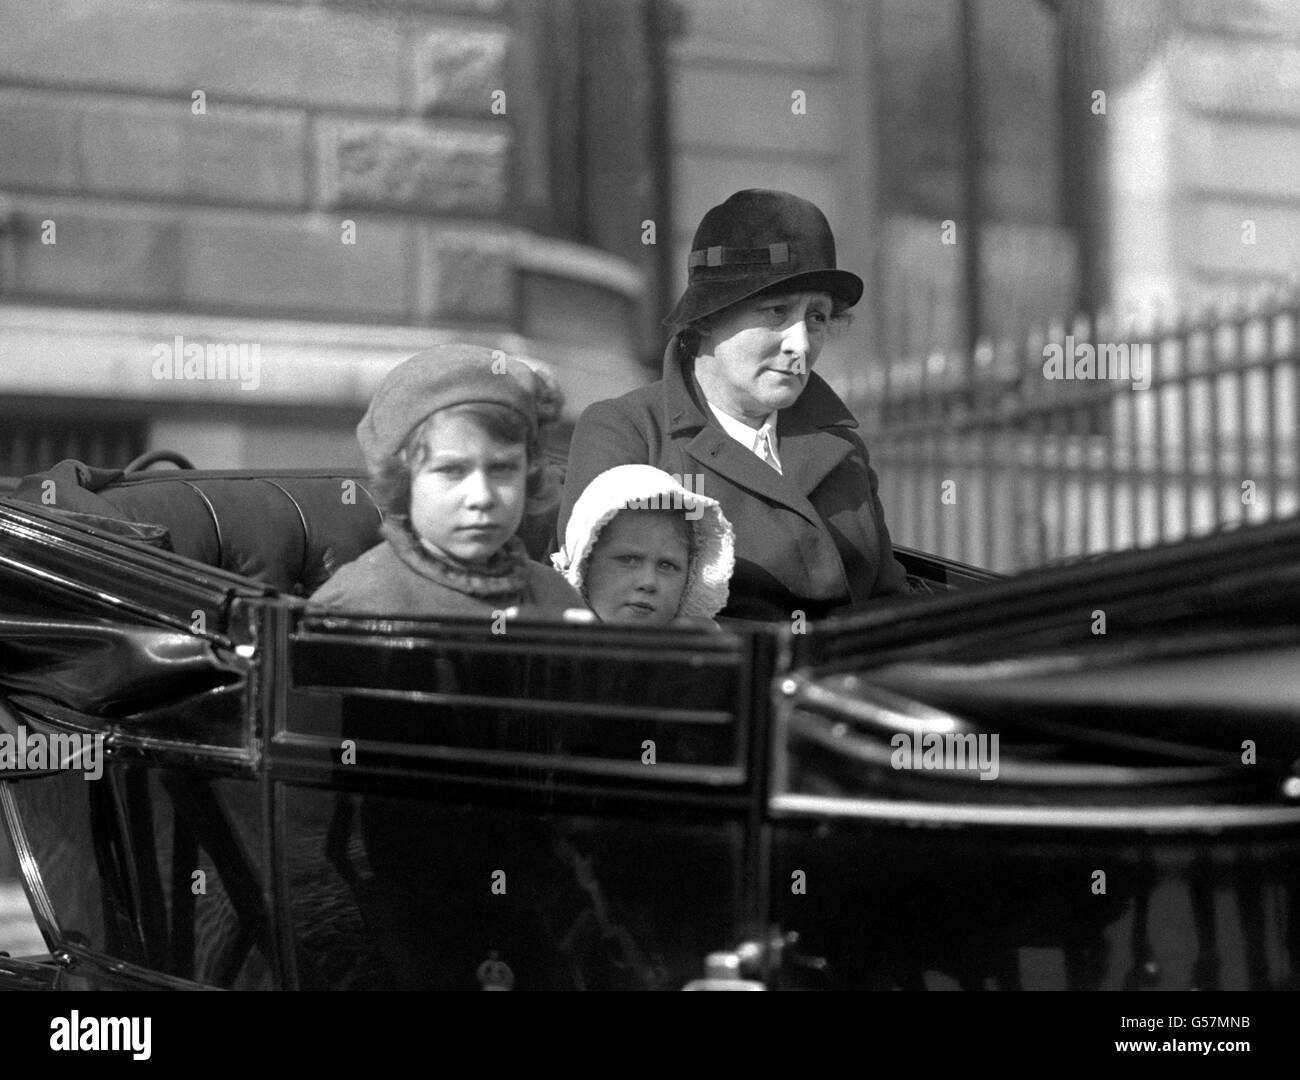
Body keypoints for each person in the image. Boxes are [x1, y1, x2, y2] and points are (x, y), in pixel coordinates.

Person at [559, 189, 909, 622]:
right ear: (707, 317)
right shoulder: (630, 432)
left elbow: (889, 600)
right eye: (776, 312)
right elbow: (601, 605)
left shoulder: (842, 447)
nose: (800, 346)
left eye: (816, 317)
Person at [311, 344, 584, 618]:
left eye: (503, 468)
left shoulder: (556, 598)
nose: (482, 497)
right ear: (404, 479)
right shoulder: (355, 606)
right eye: (451, 470)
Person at [552, 464, 734, 625]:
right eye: (629, 559)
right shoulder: (546, 646)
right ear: (586, 563)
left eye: (666, 565)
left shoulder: (704, 653)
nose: (648, 582)